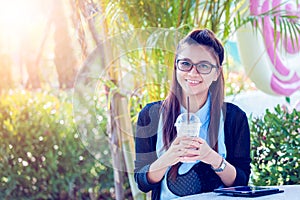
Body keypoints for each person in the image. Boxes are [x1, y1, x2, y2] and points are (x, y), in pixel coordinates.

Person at [134, 29, 251, 200]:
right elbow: (142, 182)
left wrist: (211, 157)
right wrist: (169, 157)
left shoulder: (234, 118)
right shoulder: (150, 115)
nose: (192, 73)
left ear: (217, 73)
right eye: (185, 64)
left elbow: (241, 181)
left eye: (203, 66)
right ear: (176, 67)